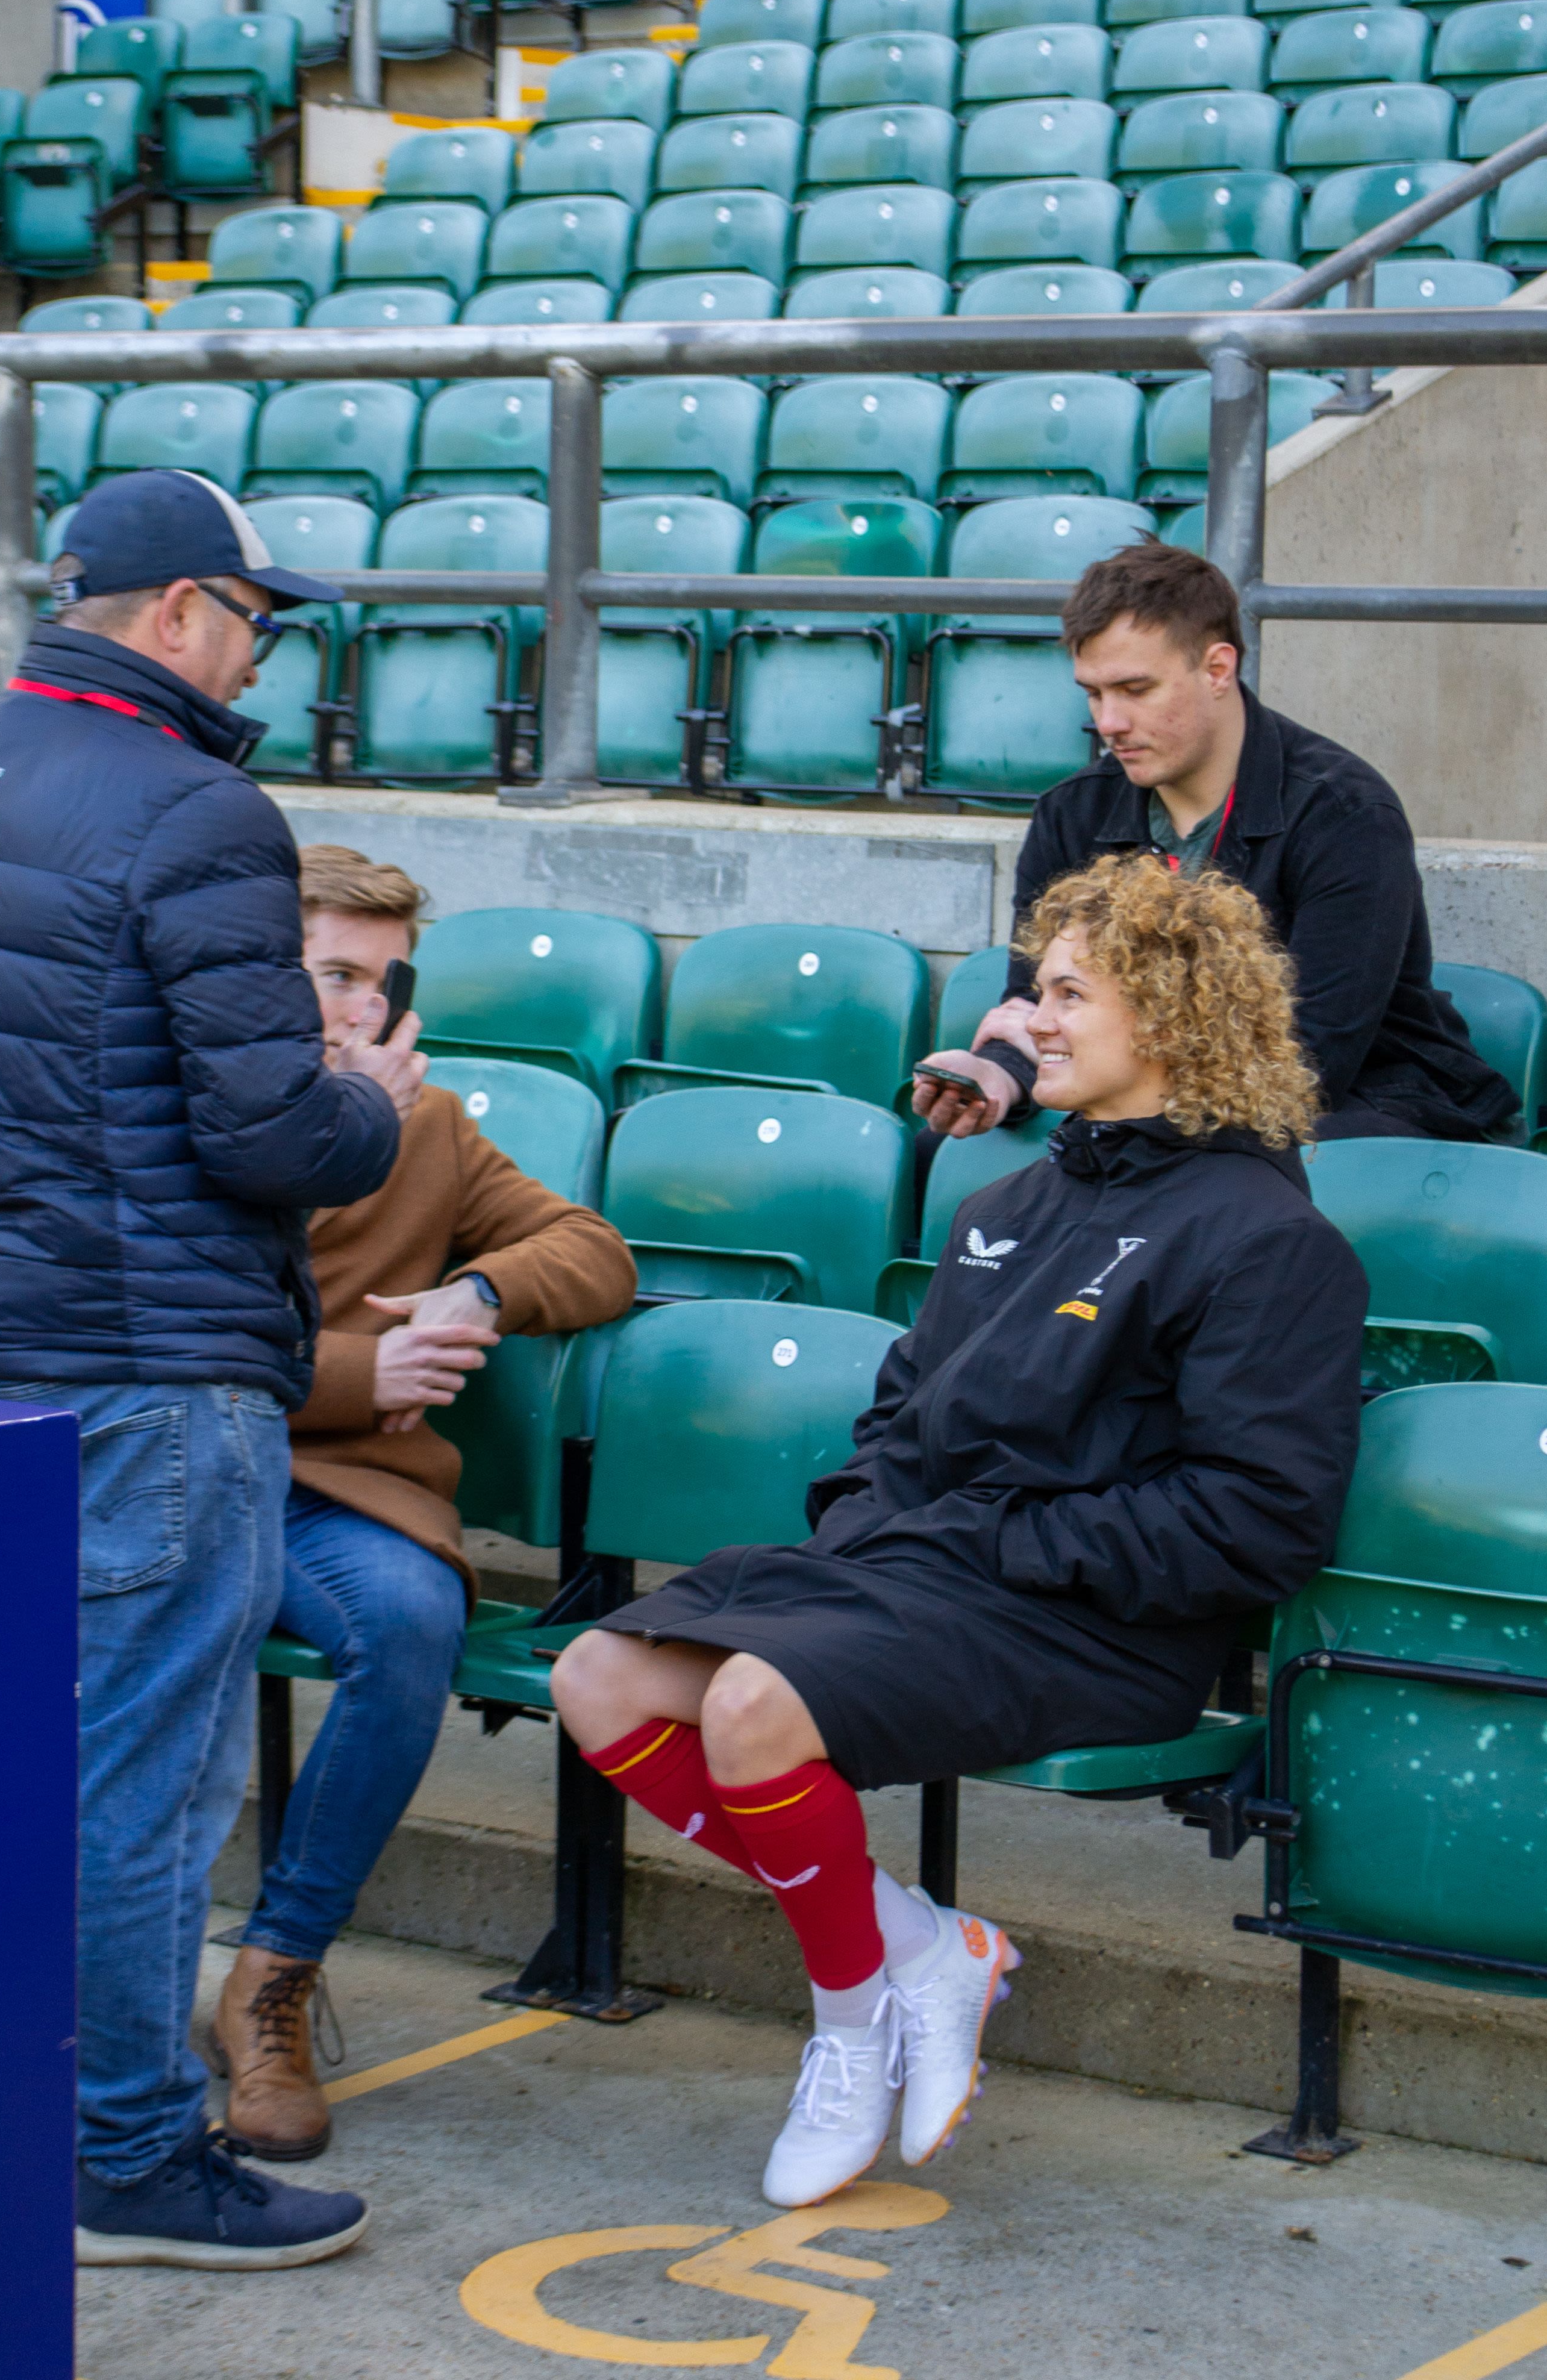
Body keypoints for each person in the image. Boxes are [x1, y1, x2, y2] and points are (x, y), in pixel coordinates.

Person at [551, 855, 1367, 2208]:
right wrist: (879, 1529)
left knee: (752, 1703)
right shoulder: (1004, 1208)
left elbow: (1256, 1523)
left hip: (1091, 1620)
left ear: (1166, 1014)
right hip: (923, 1570)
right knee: (598, 1675)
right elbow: (894, 1423)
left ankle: (847, 2019)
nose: (1025, 1019)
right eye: (1032, 989)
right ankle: (912, 1951)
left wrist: (1001, 1544)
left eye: (1061, 994)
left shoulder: (1265, 1240)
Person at [0, 473, 420, 2272]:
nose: (263, 645)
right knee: (148, 1776)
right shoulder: (197, 806)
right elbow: (271, 1125)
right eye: (259, 613)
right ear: (182, 606)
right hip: (160, 1356)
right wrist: (376, 1111)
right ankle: (122, 2145)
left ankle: (17, 2101)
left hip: (3, 1336)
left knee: (58, 1746)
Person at [208, 846, 637, 2161]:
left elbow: (592, 1250)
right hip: (186, 1467)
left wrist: (479, 1295)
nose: (352, 1009)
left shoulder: (427, 1125)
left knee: (406, 1623)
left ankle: (270, 1977)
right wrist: (357, 1370)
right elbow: (159, 1336)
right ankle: (70, 1975)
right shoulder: (184, 1104)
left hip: (338, 1502)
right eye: (327, 973)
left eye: (375, 983)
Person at [912, 540, 1517, 1149]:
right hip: (1150, 1096)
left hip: (1364, 1104)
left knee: (1191, 1167)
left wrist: (1121, 1087)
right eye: (1093, 693)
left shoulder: (1344, 813)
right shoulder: (1072, 812)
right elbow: (1035, 1002)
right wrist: (999, 1072)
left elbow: (1310, 1056)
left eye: (1134, 688)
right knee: (939, 1150)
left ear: (1217, 669)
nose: (1108, 722)